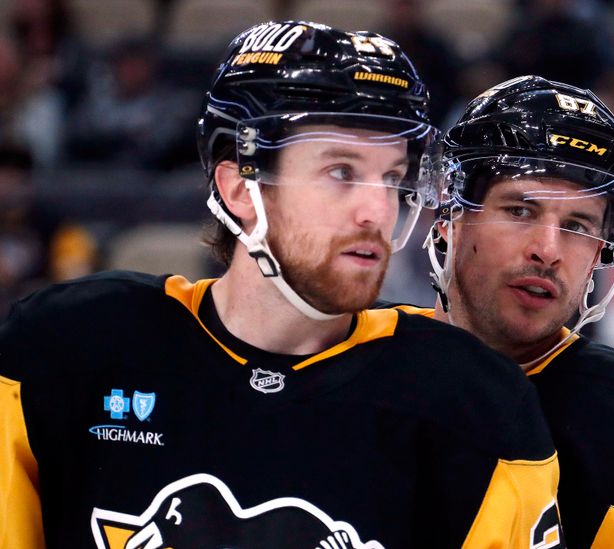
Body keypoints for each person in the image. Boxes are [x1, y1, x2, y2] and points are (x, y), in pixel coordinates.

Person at [0, 22, 564, 548]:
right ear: (240, 189)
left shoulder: (472, 401)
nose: (378, 209)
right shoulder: (65, 349)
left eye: (392, 177)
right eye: (341, 172)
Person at [399, 75, 614, 547]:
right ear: (449, 216)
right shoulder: (353, 356)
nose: (548, 250)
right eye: (520, 212)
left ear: (602, 253)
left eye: (577, 225)